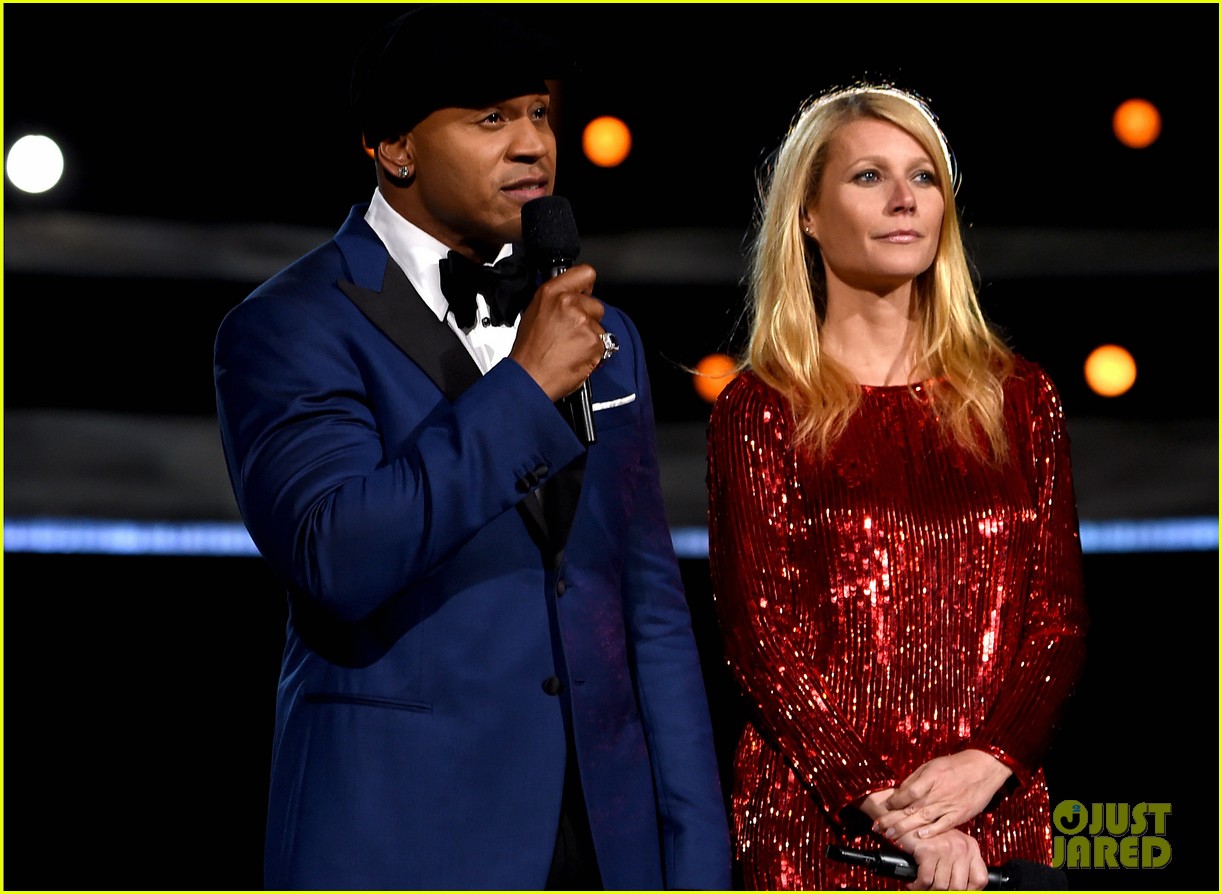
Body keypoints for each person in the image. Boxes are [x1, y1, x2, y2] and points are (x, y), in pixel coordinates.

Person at [213, 6, 730, 889]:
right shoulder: (289, 325)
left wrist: (696, 853)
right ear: (395, 147)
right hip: (406, 837)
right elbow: (336, 554)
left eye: (539, 112)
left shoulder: (609, 338)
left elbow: (649, 605)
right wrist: (523, 391)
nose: (532, 143)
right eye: (491, 118)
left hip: (608, 845)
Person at [705, 83, 1090, 891]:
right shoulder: (761, 409)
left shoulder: (1021, 399)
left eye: (923, 177)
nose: (905, 200)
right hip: (825, 825)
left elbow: (1056, 621)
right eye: (869, 177)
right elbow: (762, 645)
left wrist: (989, 763)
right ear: (807, 215)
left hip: (995, 817)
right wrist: (893, 810)